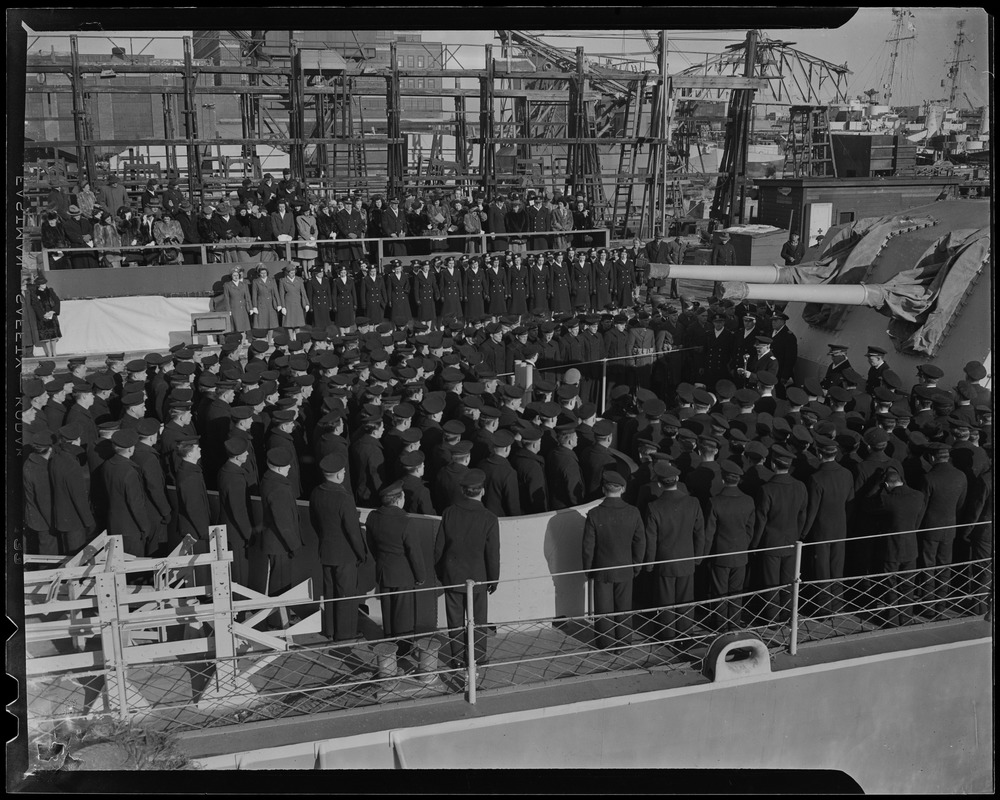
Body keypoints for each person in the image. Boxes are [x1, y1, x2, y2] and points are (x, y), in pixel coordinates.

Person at [434, 468, 500, 673]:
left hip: (452, 577)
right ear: (482, 491)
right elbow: (492, 554)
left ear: (463, 491)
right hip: (479, 579)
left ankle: (457, 659)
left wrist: (441, 574)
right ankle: (477, 658)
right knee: (478, 621)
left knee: (454, 621)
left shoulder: (449, 513)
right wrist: (493, 580)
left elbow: (438, 549)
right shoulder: (489, 518)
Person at [582, 470, 645, 649]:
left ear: (603, 489)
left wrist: (588, 570)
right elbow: (640, 542)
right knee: (624, 607)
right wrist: (636, 566)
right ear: (622, 489)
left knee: (603, 609)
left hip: (602, 569)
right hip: (626, 568)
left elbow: (588, 547)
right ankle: (624, 642)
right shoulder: (633, 512)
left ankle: (605, 643)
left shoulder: (594, 514)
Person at [643, 463, 706, 642]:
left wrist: (650, 565)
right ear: (677, 480)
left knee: (665, 601)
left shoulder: (654, 507)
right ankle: (685, 635)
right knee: (686, 600)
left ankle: (667, 635)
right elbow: (699, 533)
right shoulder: (693, 502)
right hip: (687, 559)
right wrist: (698, 557)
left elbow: (651, 540)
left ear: (660, 484)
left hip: (664, 562)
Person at [366, 480, 427, 657]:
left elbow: (371, 545)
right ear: (398, 500)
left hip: (384, 570)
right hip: (403, 574)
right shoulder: (405, 521)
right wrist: (420, 576)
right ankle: (403, 648)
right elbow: (414, 552)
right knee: (403, 613)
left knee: (388, 609)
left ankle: (389, 644)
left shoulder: (373, 517)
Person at [310, 453, 367, 642]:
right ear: (338, 475)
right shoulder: (344, 498)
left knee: (330, 592)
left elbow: (314, 521)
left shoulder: (316, 492)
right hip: (345, 554)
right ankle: (346, 634)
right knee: (346, 595)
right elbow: (353, 531)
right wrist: (362, 553)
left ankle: (331, 630)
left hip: (326, 550)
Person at [750, 445, 808, 623]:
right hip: (791, 541)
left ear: (773, 465)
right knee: (789, 582)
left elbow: (761, 520)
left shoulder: (767, 489)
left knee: (771, 583)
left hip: (770, 542)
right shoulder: (800, 486)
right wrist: (798, 535)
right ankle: (788, 615)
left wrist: (754, 544)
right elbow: (802, 514)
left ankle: (773, 618)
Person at [259, 448, 304, 605]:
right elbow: (283, 522)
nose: (289, 467)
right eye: (287, 466)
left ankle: (279, 617)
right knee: (280, 584)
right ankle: (277, 620)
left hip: (276, 542)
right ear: (278, 469)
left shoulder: (269, 481)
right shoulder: (279, 488)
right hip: (280, 544)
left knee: (280, 581)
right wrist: (294, 545)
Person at [23, 431, 55, 555]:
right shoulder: (42, 470)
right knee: (48, 554)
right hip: (44, 521)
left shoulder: (29, 462)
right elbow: (44, 501)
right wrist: (52, 523)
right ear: (50, 449)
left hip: (33, 516)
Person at [31, 274, 62, 358]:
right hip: (43, 316)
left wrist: (53, 311)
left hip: (52, 315)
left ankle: (54, 352)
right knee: (46, 336)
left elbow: (57, 301)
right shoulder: (35, 293)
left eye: (45, 283)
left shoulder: (50, 291)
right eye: (43, 284)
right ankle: (49, 353)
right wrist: (42, 315)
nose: (45, 285)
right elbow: (35, 305)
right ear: (39, 285)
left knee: (53, 336)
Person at [278, 265, 309, 335]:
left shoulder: (299, 280)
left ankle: (297, 339)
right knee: (289, 323)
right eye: (291, 273)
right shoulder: (283, 281)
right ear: (287, 273)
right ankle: (291, 339)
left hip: (298, 303)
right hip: (288, 304)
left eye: (294, 272)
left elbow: (303, 292)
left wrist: (307, 303)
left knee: (297, 323)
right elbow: (281, 294)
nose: (293, 274)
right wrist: (283, 306)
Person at [223, 267, 254, 335]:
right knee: (237, 327)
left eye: (237, 275)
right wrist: (228, 310)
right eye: (234, 275)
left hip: (243, 309)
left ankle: (242, 344)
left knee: (244, 327)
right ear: (231, 276)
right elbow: (226, 298)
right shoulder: (227, 285)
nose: (236, 277)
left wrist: (250, 308)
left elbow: (247, 297)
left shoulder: (243, 284)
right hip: (234, 308)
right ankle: (238, 343)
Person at [251, 266, 280, 333]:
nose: (264, 274)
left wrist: (279, 304)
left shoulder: (272, 280)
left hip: (271, 304)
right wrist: (254, 306)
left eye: (265, 273)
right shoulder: (256, 281)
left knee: (271, 323)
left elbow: (276, 293)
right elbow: (254, 295)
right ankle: (263, 339)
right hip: (261, 303)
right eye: (262, 273)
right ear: (259, 274)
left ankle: (269, 339)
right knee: (262, 323)